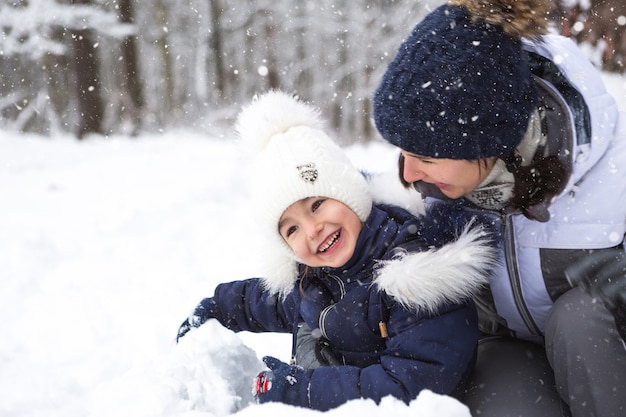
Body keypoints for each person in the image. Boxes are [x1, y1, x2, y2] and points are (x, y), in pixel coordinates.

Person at [371, 0, 626, 416]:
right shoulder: (428, 187)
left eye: (428, 157)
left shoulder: (613, 170)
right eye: (403, 151)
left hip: (605, 361)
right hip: (507, 348)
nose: (408, 171)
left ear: (491, 145)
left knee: (580, 320)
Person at [175, 90, 498, 411]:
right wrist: (217, 306)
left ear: (350, 193)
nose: (311, 229)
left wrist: (298, 391)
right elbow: (270, 301)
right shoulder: (319, 277)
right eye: (291, 229)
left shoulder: (415, 276)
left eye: (316, 204)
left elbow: (405, 388)